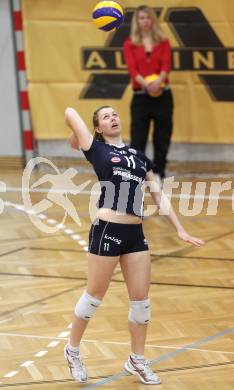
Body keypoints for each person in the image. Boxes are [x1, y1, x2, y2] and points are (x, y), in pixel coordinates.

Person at [64, 105, 204, 385]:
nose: (113, 117)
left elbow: (158, 194)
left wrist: (180, 229)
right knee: (93, 297)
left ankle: (136, 360)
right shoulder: (97, 149)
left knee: (141, 303)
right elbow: (69, 111)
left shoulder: (138, 156)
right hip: (107, 230)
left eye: (115, 114)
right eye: (105, 116)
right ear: (98, 129)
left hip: (135, 235)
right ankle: (72, 350)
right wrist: (77, 136)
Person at [124, 5, 173, 181]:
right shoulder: (130, 43)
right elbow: (132, 70)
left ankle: (159, 171)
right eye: (141, 18)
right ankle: (138, 173)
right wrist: (147, 85)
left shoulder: (164, 42)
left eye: (148, 18)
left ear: (153, 20)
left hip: (162, 95)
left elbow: (166, 66)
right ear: (137, 21)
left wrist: (158, 83)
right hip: (140, 96)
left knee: (162, 135)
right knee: (138, 138)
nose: (145, 21)